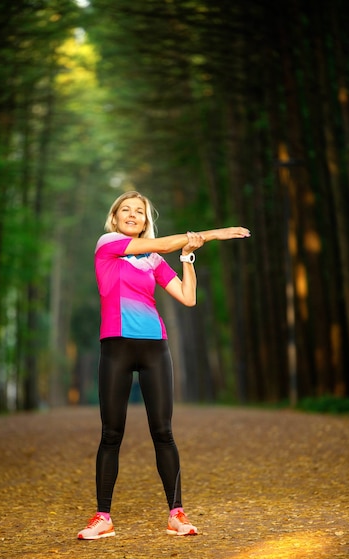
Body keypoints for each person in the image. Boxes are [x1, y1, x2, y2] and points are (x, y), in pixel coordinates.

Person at [77, 190, 250, 540]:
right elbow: (166, 244)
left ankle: (176, 514)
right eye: (125, 210)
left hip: (155, 347)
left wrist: (188, 257)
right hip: (116, 346)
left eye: (138, 212)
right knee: (111, 434)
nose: (131, 215)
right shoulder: (107, 243)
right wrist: (213, 234)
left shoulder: (152, 258)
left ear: (145, 221)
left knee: (163, 432)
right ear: (115, 218)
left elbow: (188, 298)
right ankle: (102, 517)